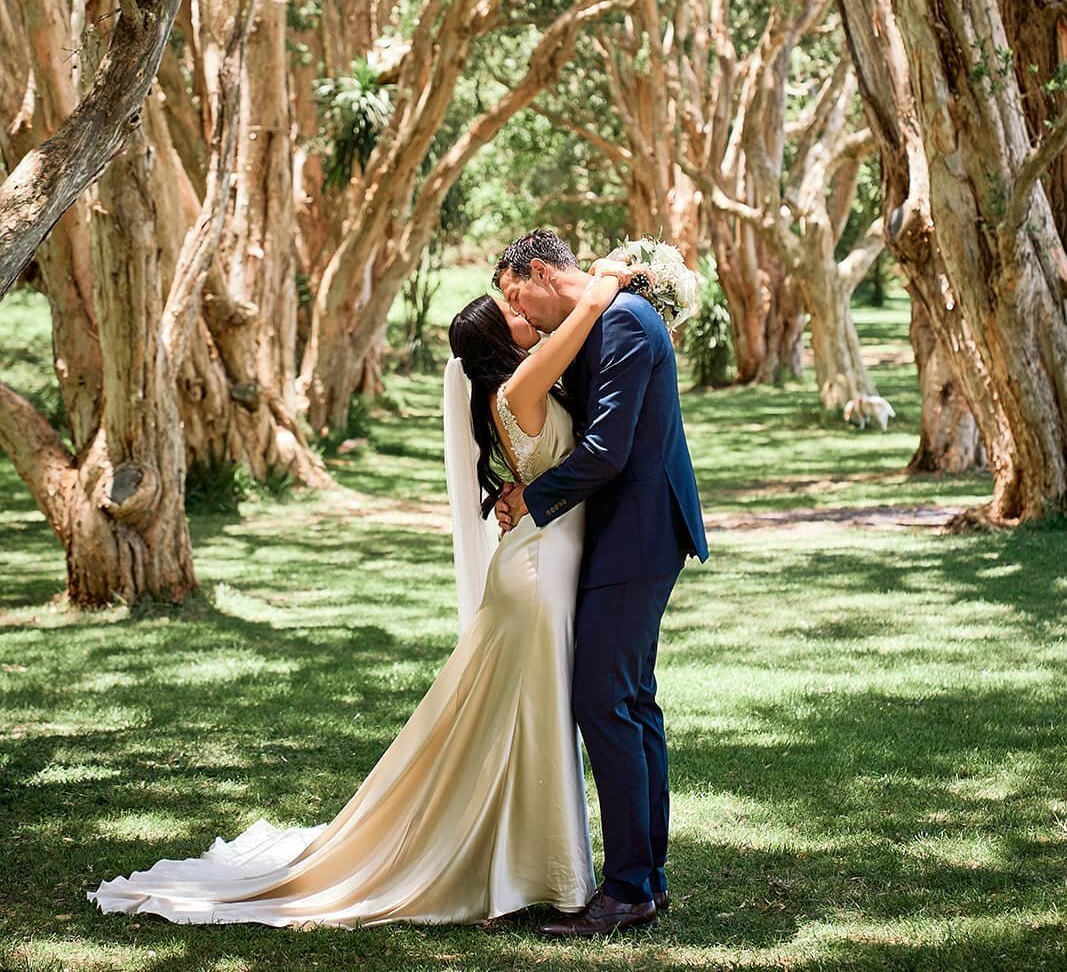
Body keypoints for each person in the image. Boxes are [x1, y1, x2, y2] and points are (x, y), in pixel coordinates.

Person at [88, 254, 637, 929]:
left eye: (519, 307)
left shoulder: (522, 383)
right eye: (512, 316)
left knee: (525, 723)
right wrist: (610, 278)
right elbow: (582, 317)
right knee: (528, 722)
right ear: (500, 344)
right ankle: (529, 873)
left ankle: (526, 867)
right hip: (536, 573)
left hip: (548, 560)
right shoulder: (516, 390)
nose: (525, 317)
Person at [494, 229, 708, 938]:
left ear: (535, 272)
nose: (514, 309)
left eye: (512, 291)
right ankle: (644, 879)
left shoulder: (620, 321)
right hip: (632, 529)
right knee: (631, 702)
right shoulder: (604, 316)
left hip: (638, 529)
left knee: (602, 701)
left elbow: (607, 450)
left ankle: (625, 890)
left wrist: (531, 498)